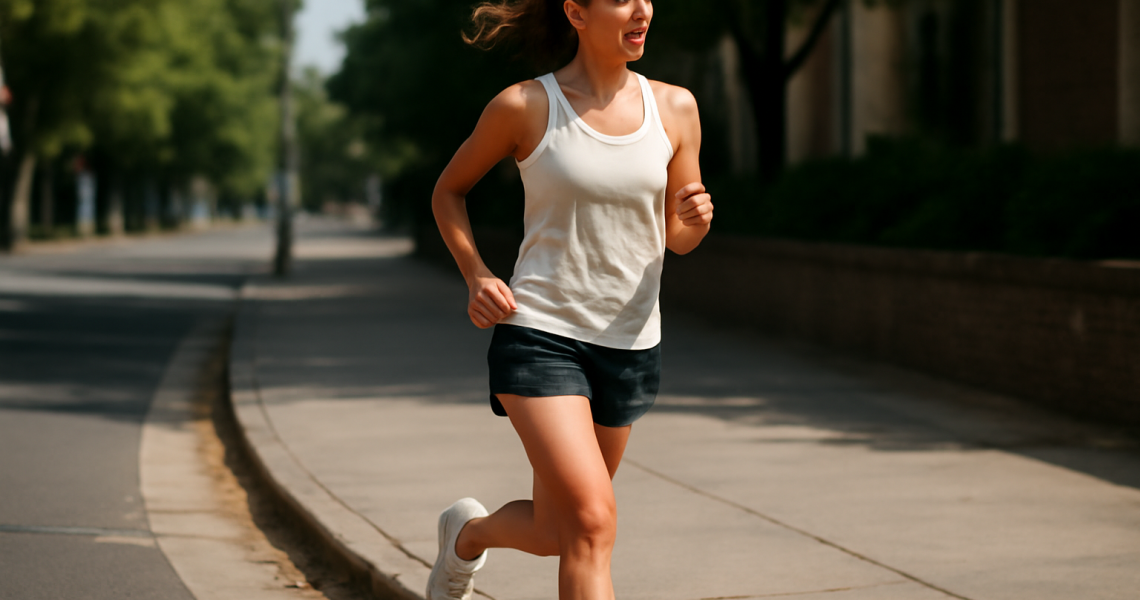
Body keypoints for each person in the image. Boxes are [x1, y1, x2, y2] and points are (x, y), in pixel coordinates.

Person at [429, 0, 712, 598]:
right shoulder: (527, 106)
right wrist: (476, 274)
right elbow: (448, 192)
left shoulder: (675, 108)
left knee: (562, 528)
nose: (641, 10)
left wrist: (696, 221)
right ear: (576, 13)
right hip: (540, 335)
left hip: (631, 345)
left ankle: (467, 537)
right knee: (593, 522)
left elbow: (676, 239)